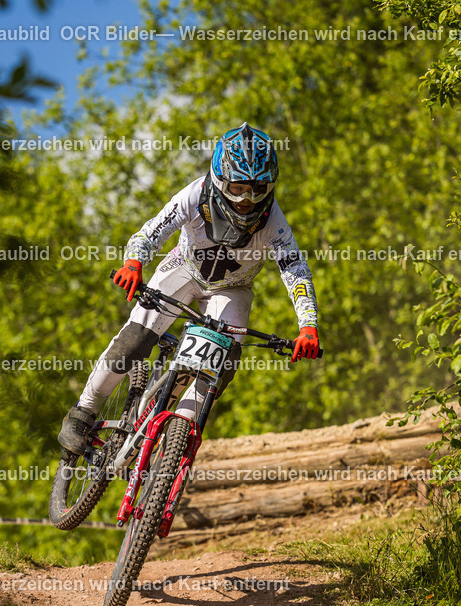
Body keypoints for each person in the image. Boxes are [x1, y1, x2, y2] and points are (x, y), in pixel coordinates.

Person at [58, 122, 321, 455]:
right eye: (238, 187)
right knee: (134, 340)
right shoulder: (195, 195)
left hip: (233, 289)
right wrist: (134, 264)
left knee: (223, 363)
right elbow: (150, 233)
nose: (247, 198)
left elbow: (295, 271)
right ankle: (83, 412)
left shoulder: (273, 222)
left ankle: (177, 436)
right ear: (220, 179)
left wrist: (308, 326)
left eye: (258, 188)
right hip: (183, 269)